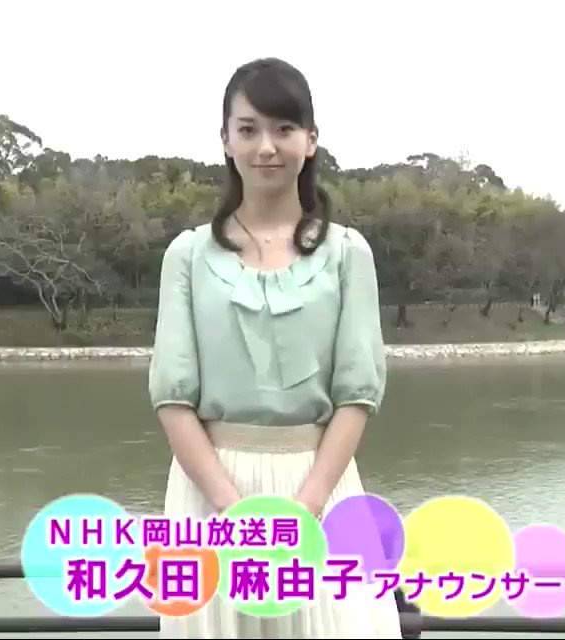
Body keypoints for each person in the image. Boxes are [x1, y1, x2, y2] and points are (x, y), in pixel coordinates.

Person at [148, 57, 404, 639]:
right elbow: (173, 397)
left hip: (322, 483)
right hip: (210, 494)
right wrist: (234, 511)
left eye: (284, 129)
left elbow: (357, 392)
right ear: (226, 140)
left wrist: (306, 508)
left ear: (310, 141)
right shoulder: (187, 256)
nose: (266, 146)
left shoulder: (347, 253)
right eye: (249, 129)